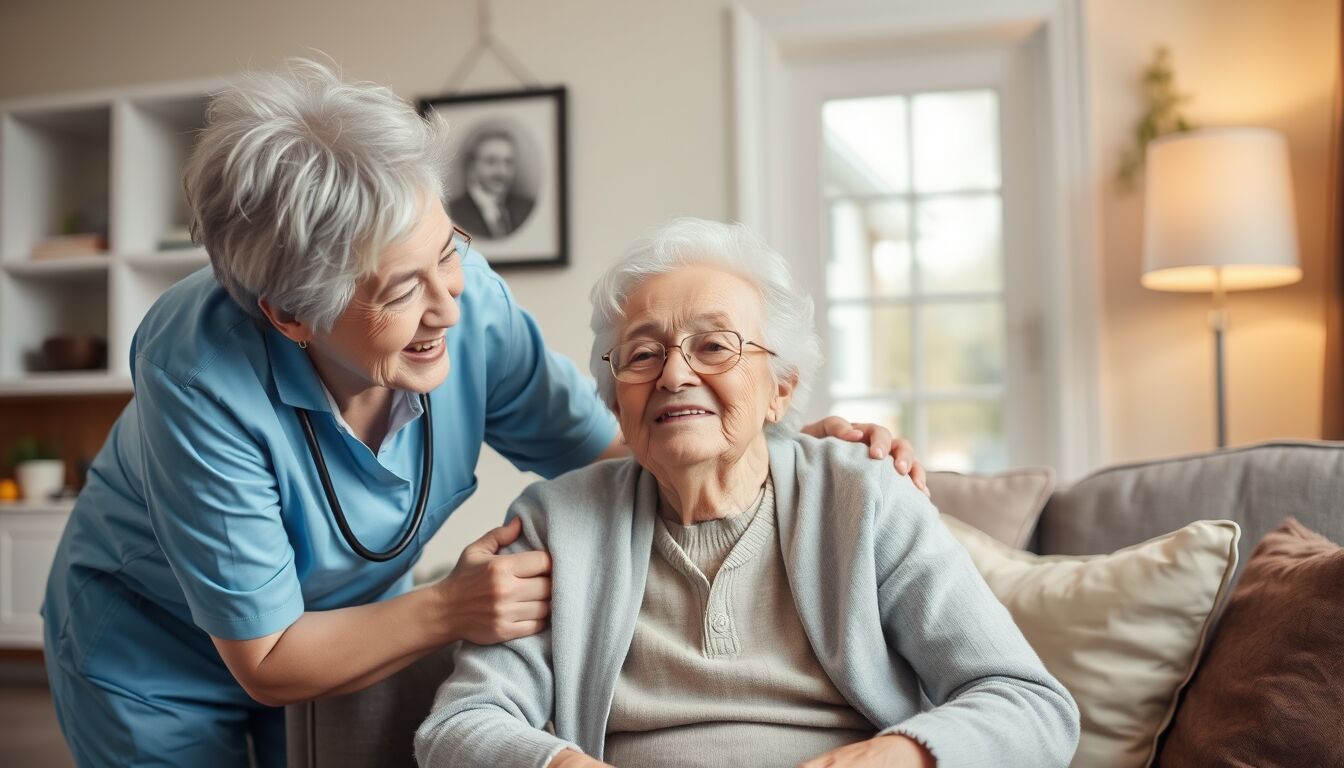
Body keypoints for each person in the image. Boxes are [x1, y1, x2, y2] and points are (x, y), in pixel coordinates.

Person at [41, 62, 926, 767]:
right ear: (289, 314)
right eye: (400, 289)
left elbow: (616, 448)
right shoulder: (199, 371)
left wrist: (784, 442)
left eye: (449, 248)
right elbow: (269, 659)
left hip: (350, 625)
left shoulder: (474, 308)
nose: (449, 306)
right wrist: (452, 607)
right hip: (160, 648)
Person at [416, 218, 1080, 768]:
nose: (675, 374)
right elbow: (460, 726)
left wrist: (897, 755)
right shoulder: (555, 523)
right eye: (643, 355)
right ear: (615, 401)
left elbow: (1029, 703)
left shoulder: (864, 498)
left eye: (714, 346)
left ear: (781, 388)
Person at [448, 129, 535, 238]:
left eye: (508, 162)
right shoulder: (453, 212)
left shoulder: (526, 208)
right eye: (491, 162)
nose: (502, 171)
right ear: (472, 167)